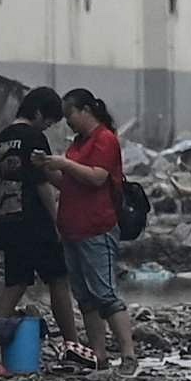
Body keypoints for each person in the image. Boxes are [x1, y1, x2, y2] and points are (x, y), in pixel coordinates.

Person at [0, 86, 77, 371]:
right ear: (36, 113)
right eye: (48, 120)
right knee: (58, 279)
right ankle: (72, 347)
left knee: (15, 284)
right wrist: (59, 222)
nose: (48, 126)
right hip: (34, 222)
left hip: (6, 222)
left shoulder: (0, 140)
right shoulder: (34, 138)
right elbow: (42, 183)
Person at [53, 87, 133, 364]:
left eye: (70, 115)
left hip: (97, 226)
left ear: (86, 111)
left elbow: (97, 177)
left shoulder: (105, 140)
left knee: (105, 295)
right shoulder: (77, 144)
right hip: (72, 228)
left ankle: (128, 355)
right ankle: (99, 356)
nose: (68, 121)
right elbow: (69, 183)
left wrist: (63, 163)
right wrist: (48, 169)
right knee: (85, 297)